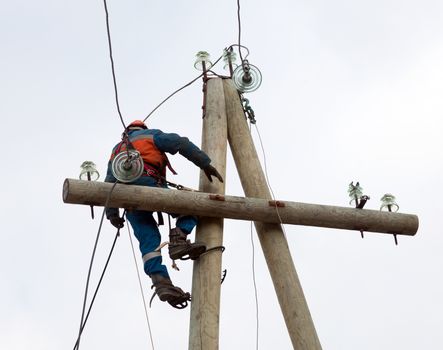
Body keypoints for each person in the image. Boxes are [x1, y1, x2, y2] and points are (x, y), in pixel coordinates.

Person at [105, 120, 223, 309]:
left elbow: (108, 182)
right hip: (150, 185)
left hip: (126, 198)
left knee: (148, 241)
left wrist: (112, 214)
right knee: (193, 206)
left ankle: (161, 283)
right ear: (142, 129)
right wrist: (205, 163)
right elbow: (181, 143)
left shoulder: (117, 150)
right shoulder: (151, 135)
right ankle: (179, 240)